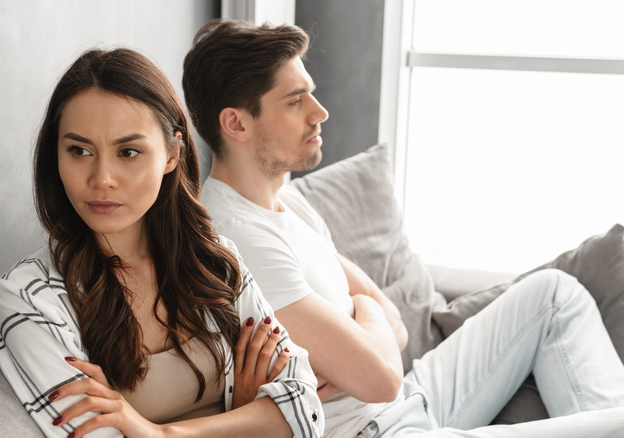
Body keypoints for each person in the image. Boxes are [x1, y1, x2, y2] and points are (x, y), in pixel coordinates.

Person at [183, 18, 624, 437]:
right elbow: (380, 379)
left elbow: (387, 314)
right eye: (295, 101)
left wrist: (366, 319)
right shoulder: (238, 237)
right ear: (236, 123)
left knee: (555, 294)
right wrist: (367, 332)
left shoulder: (288, 202)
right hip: (373, 428)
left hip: (409, 398)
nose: (320, 112)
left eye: (311, 94)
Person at [0, 48, 323, 438]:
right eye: (79, 151)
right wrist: (245, 417)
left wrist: (156, 432)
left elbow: (306, 410)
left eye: (128, 152)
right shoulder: (30, 297)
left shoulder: (215, 261)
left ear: (171, 154)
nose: (101, 178)